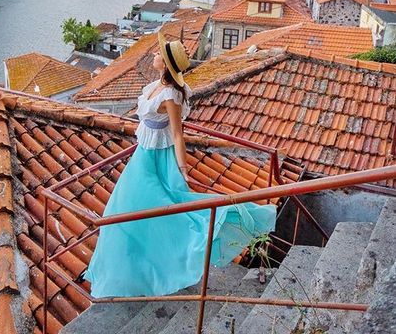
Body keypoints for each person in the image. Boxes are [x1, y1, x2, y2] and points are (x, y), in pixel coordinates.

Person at [83, 33, 276, 298]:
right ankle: (131, 273)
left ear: (165, 62)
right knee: (125, 213)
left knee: (142, 213)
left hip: (154, 160)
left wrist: (183, 170)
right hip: (143, 155)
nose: (153, 55)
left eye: (157, 53)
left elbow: (177, 134)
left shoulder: (171, 95)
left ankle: (151, 271)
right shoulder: (154, 86)